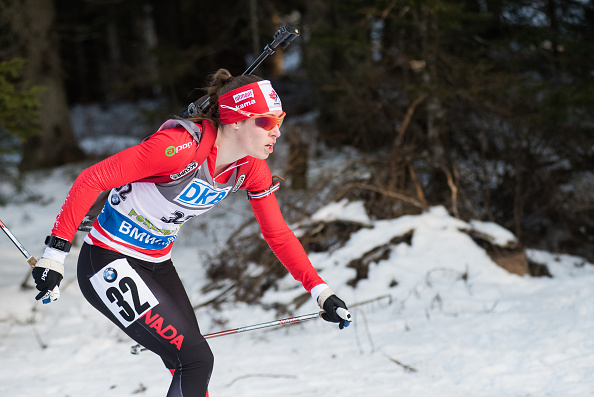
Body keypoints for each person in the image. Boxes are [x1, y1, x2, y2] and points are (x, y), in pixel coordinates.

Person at [31, 69, 350, 397]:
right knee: (195, 360)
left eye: (279, 120)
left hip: (156, 264)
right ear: (236, 120)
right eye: (266, 122)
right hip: (107, 260)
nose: (277, 132)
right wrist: (55, 256)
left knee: (187, 361)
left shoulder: (252, 168)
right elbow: (92, 178)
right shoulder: (179, 147)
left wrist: (320, 291)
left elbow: (278, 234)